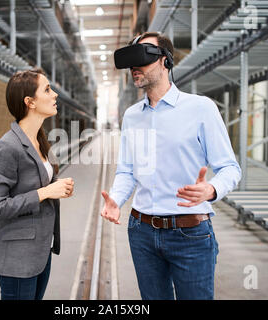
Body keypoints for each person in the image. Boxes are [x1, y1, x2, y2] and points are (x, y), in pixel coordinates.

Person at [101, 32, 241, 300]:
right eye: (130, 62)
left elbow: (230, 168)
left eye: (141, 58)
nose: (134, 68)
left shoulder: (201, 109)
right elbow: (127, 171)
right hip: (141, 232)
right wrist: (116, 199)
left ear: (164, 61)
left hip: (190, 234)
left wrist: (211, 189)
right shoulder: (132, 116)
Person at [0, 68, 74, 300]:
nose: (54, 95)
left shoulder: (38, 139)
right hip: (18, 259)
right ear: (29, 102)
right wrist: (44, 192)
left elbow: (35, 182)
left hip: (40, 252)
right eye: (47, 89)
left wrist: (57, 185)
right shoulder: (8, 146)